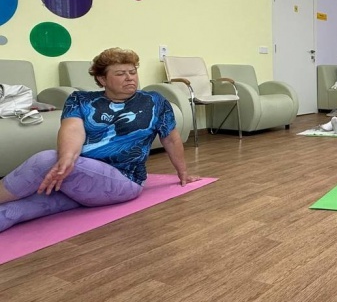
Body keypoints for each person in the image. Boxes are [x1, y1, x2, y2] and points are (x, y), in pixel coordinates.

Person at [0, 48, 200, 232]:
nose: (129, 78)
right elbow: (72, 129)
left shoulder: (154, 101)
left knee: (45, 160)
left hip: (122, 181)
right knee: (13, 211)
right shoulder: (80, 99)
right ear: (102, 79)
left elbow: (171, 139)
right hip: (77, 177)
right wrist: (67, 159)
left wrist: (183, 173)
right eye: (120, 74)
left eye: (132, 72)